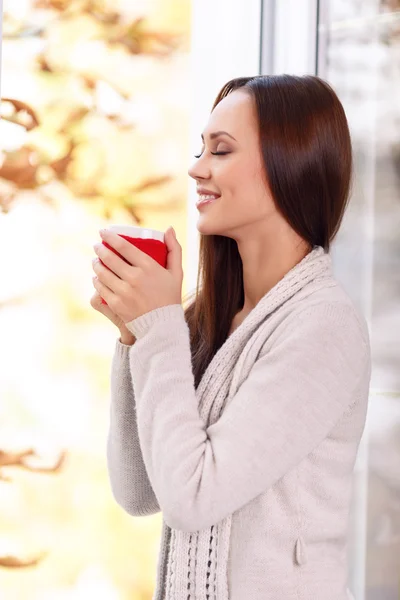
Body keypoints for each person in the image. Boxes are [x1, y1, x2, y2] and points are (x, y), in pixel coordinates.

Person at [91, 74, 371, 600]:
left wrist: (157, 328)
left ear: (290, 163)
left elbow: (193, 497)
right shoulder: (212, 319)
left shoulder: (323, 326)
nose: (197, 168)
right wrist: (135, 337)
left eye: (220, 150)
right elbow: (137, 490)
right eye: (201, 149)